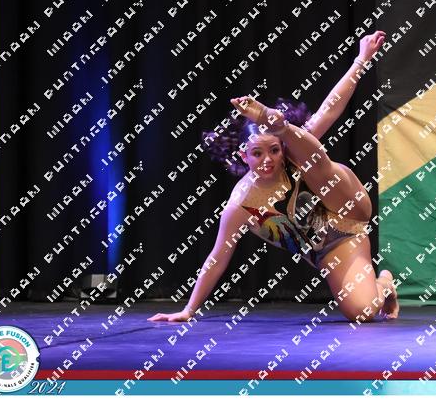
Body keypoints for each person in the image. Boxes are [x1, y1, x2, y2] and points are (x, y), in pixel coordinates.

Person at [148, 31, 399, 323]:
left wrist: (361, 59)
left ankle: (280, 126)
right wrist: (188, 310)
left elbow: (330, 110)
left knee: (306, 152)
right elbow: (217, 258)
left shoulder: (292, 152)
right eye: (257, 153)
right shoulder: (241, 204)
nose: (268, 160)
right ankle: (385, 284)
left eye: (274, 150)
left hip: (347, 202)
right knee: (362, 313)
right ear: (243, 156)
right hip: (334, 247)